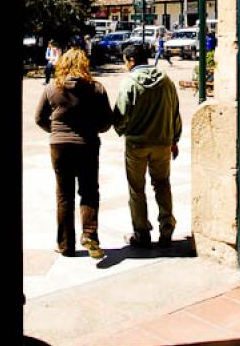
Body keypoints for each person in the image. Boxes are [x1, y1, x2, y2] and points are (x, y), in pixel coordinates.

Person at [35, 47, 112, 259]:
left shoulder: (52, 88)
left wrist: (56, 132)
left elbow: (39, 117)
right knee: (88, 191)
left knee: (64, 195)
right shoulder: (96, 88)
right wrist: (93, 128)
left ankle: (65, 245)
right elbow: (107, 121)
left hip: (59, 147)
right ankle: (89, 234)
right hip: (87, 144)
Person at [112, 43, 182, 248]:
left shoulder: (129, 83)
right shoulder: (166, 81)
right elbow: (175, 112)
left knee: (137, 189)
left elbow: (120, 116)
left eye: (125, 61)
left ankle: (141, 233)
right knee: (162, 185)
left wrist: (122, 130)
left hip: (137, 144)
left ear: (131, 61)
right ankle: (167, 228)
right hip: (162, 143)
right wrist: (174, 139)